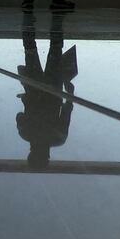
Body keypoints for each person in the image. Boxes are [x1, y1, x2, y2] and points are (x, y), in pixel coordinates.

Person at [16, 12, 76, 170]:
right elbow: (20, 117)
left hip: (53, 90)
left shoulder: (58, 138)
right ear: (30, 153)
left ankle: (57, 19)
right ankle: (28, 18)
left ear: (47, 156)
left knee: (55, 50)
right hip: (34, 88)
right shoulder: (25, 133)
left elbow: (67, 110)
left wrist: (70, 94)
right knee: (30, 49)